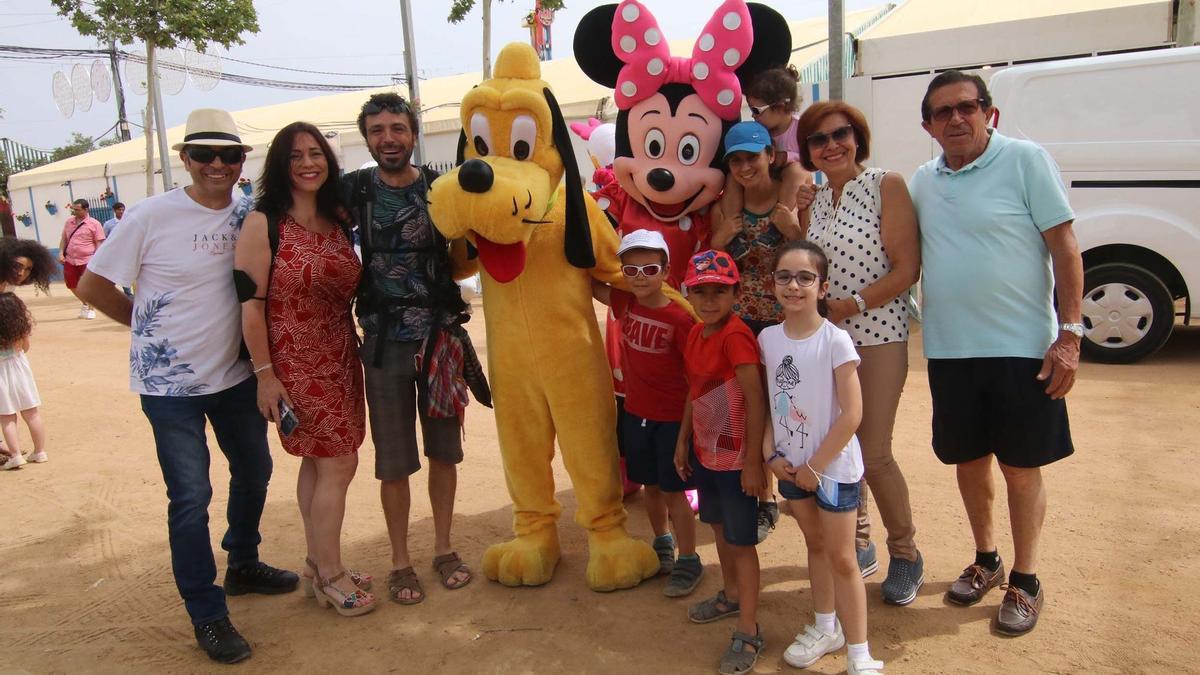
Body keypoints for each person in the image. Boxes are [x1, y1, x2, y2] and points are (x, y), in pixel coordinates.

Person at [77, 108, 299, 664]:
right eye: (205, 154)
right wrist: (144, 327)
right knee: (191, 496)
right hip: (168, 387)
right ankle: (208, 611)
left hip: (233, 377)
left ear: (242, 161)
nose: (217, 164)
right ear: (186, 159)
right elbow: (91, 283)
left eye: (229, 154)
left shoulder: (249, 215)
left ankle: (243, 561)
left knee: (255, 470)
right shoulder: (151, 216)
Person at [909, 71, 1082, 636]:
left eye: (968, 107)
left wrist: (1071, 333)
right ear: (928, 126)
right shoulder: (922, 181)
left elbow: (1065, 246)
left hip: (1022, 349)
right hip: (951, 351)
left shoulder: (1025, 160)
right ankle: (987, 559)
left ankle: (1026, 579)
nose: (957, 119)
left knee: (1021, 467)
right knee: (968, 462)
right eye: (943, 112)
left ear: (989, 112)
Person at [346, 93, 482, 604]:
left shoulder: (439, 189)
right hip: (383, 345)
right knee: (394, 461)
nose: (388, 139)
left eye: (397, 129)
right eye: (378, 130)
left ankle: (444, 548)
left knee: (445, 453)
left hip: (439, 341)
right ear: (366, 137)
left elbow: (462, 262)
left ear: (413, 134)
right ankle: (400, 563)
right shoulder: (354, 191)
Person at [235, 122, 374, 617]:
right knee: (339, 462)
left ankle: (318, 564)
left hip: (340, 354)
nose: (309, 163)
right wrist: (265, 375)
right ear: (280, 165)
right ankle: (332, 574)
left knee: (321, 462)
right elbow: (250, 307)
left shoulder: (338, 220)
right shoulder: (263, 223)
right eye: (297, 156)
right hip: (293, 361)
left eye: (317, 153)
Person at [796, 101, 924, 604]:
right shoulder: (817, 199)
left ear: (857, 137)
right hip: (828, 341)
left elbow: (905, 268)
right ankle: (861, 544)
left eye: (839, 134)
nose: (831, 146)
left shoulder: (886, 185)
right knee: (838, 447)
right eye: (818, 140)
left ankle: (907, 552)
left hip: (877, 335)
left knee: (873, 451)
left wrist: (850, 305)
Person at [760, 240, 883, 675]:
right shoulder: (768, 339)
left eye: (805, 278)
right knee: (815, 547)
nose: (794, 286)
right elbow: (776, 402)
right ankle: (826, 627)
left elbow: (853, 414)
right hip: (792, 467)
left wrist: (816, 467)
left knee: (844, 558)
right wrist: (768, 453)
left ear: (822, 286)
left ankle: (859, 652)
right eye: (784, 277)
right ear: (772, 283)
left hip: (832, 471)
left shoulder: (837, 341)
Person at [711, 120, 808, 545]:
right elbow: (712, 269)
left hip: (785, 325)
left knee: (785, 405)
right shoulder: (726, 209)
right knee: (750, 408)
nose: (745, 167)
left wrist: (794, 231)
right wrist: (720, 237)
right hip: (742, 327)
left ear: (771, 155)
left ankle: (797, 488)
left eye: (752, 157)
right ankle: (764, 499)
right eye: (737, 160)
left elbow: (811, 261)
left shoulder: (795, 199)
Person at [592, 230, 702, 597]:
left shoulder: (681, 320)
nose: (640, 277)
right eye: (632, 269)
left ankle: (689, 559)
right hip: (635, 414)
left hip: (671, 421)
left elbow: (695, 382)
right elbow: (592, 284)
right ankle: (663, 543)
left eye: (650, 269)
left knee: (674, 492)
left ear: (666, 270)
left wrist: (685, 435)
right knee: (650, 489)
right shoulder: (625, 303)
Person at [674, 250, 767, 675]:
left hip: (734, 461)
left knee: (741, 541)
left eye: (719, 291)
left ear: (736, 292)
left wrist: (754, 464)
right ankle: (729, 595)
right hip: (706, 452)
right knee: (717, 528)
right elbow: (695, 391)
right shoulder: (697, 334)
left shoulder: (736, 335)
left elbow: (754, 398)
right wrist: (682, 442)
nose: (709, 300)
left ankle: (749, 628)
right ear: (689, 293)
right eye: (701, 291)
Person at [720, 65, 808, 223]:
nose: (753, 116)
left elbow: (812, 159)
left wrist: (788, 157)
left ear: (780, 107)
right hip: (764, 177)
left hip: (789, 183)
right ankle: (732, 223)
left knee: (795, 171)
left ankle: (779, 221)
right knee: (734, 174)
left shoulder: (801, 129)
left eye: (756, 110)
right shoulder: (759, 129)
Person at [0, 292, 46, 470]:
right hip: (20, 369)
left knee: (6, 416)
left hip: (1, 372)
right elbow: (26, 348)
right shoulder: (20, 329)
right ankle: (40, 451)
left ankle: (16, 455)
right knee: (32, 413)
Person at [58, 198, 104, 319]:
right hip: (70, 259)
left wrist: (96, 259)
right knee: (71, 284)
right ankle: (85, 303)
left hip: (88, 259)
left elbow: (99, 242)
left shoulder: (94, 224)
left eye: (78, 210)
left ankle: (91, 309)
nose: (75, 212)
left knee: (87, 285)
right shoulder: (69, 222)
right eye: (74, 210)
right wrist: (60, 253)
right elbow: (64, 239)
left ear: (86, 209)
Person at [101, 203, 134, 297]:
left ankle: (128, 293)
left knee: (125, 272)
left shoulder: (129, 221)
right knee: (112, 273)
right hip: (114, 253)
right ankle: (111, 291)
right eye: (119, 209)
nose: (121, 211)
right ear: (114, 211)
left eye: (123, 209)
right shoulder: (108, 224)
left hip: (127, 252)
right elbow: (104, 238)